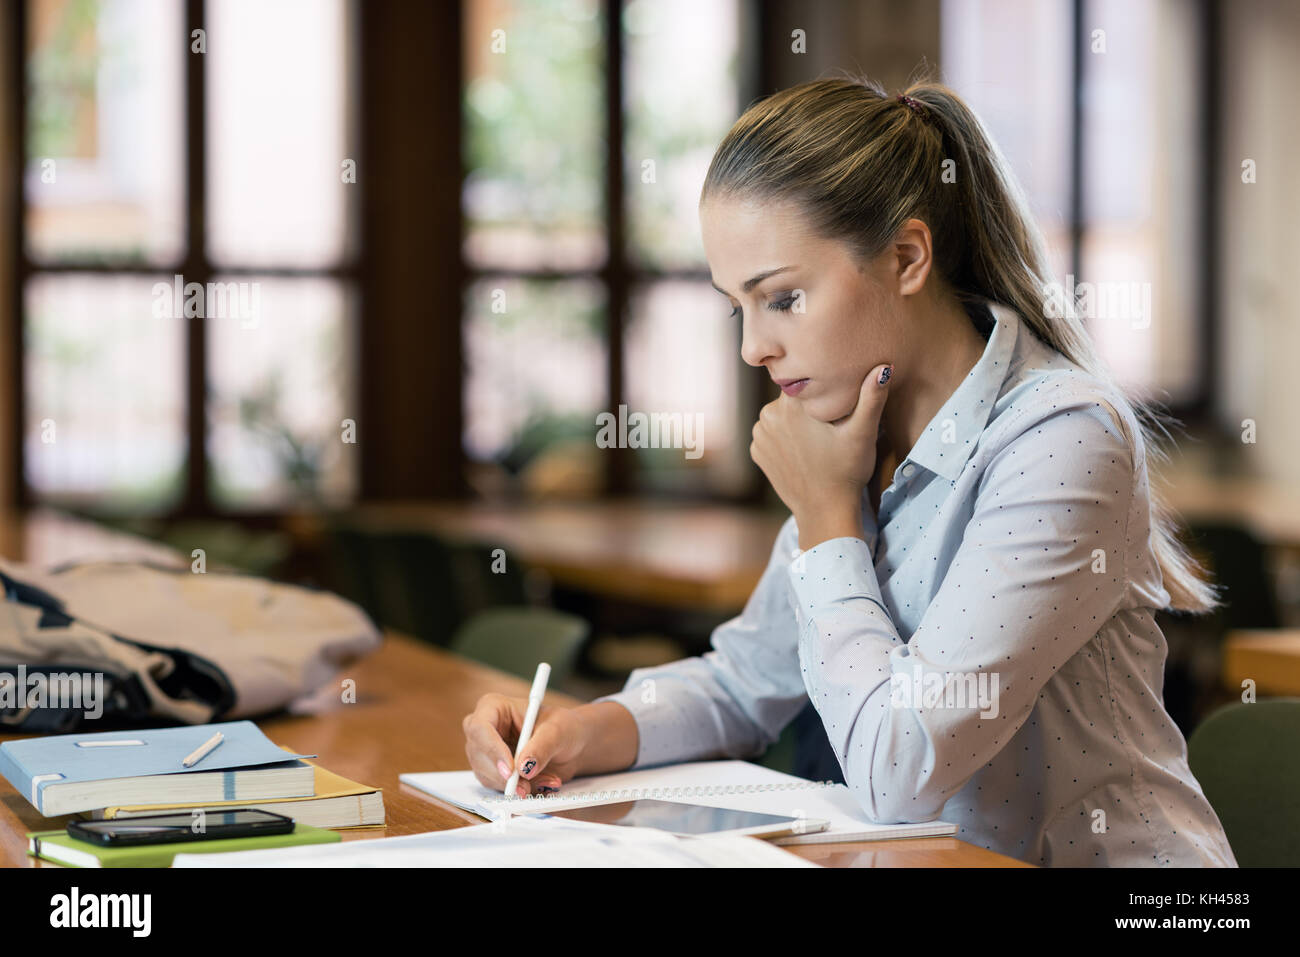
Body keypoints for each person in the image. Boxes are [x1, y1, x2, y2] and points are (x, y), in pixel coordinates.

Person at [461, 75, 1237, 867]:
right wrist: (579, 732)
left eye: (784, 298)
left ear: (906, 257)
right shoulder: (852, 428)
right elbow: (744, 679)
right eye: (740, 306)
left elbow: (901, 769)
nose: (752, 347)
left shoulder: (1061, 437)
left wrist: (830, 515)